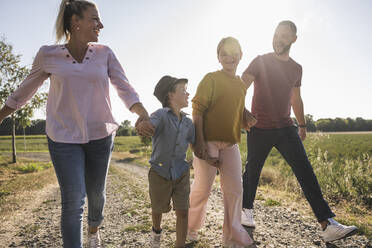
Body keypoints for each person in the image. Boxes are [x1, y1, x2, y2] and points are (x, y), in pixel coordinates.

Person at [0, 0, 153, 247]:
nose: (100, 24)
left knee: (96, 196)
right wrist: (0, 115)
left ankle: (94, 230)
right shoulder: (48, 55)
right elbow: (24, 91)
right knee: (73, 200)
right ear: (75, 22)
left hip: (100, 135)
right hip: (63, 137)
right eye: (94, 19)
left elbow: (124, 87)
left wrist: (141, 113)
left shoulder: (105, 53)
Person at [241, 20, 358, 243]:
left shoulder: (296, 68)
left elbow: (296, 98)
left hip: (286, 127)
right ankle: (246, 209)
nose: (279, 38)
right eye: (277, 33)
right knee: (253, 169)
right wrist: (244, 113)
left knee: (305, 171)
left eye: (284, 35)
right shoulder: (260, 61)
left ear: (294, 39)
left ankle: (327, 224)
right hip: (260, 127)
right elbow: (239, 87)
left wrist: (302, 125)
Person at [187, 37, 256, 248]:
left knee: (235, 189)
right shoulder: (211, 79)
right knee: (202, 188)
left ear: (241, 55)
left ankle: (232, 238)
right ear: (218, 58)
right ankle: (190, 228)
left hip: (231, 143)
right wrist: (198, 142)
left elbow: (236, 106)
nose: (229, 57)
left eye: (234, 52)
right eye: (224, 53)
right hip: (208, 141)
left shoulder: (240, 85)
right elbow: (197, 110)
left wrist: (247, 116)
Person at [136, 75, 195, 248]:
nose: (188, 94)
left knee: (183, 211)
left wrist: (204, 157)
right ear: (170, 95)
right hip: (159, 173)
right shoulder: (160, 115)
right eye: (183, 91)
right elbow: (148, 125)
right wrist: (142, 126)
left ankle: (180, 245)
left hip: (181, 172)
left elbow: (195, 144)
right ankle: (156, 231)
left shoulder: (188, 122)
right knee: (158, 209)